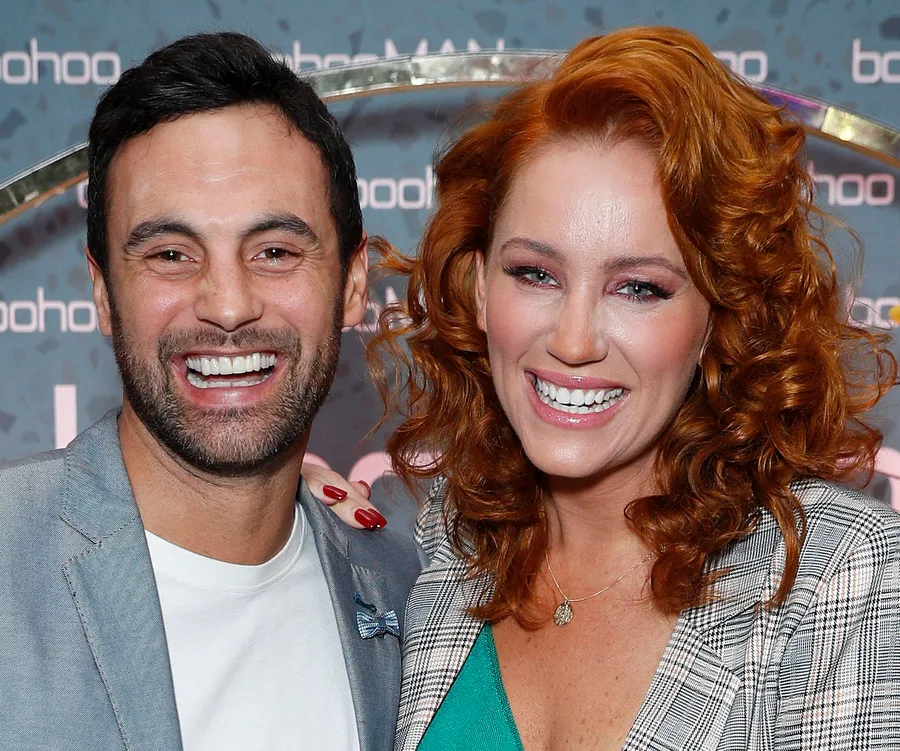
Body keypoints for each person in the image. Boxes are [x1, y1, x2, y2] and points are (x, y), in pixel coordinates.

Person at [312, 25, 900, 749]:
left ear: (720, 317)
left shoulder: (842, 576)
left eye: (640, 288)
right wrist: (288, 524)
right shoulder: (449, 549)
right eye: (536, 273)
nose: (574, 340)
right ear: (479, 286)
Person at [0, 32, 422, 751]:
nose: (227, 305)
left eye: (275, 252)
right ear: (102, 292)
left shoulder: (403, 586)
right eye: (171, 254)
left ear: (352, 286)